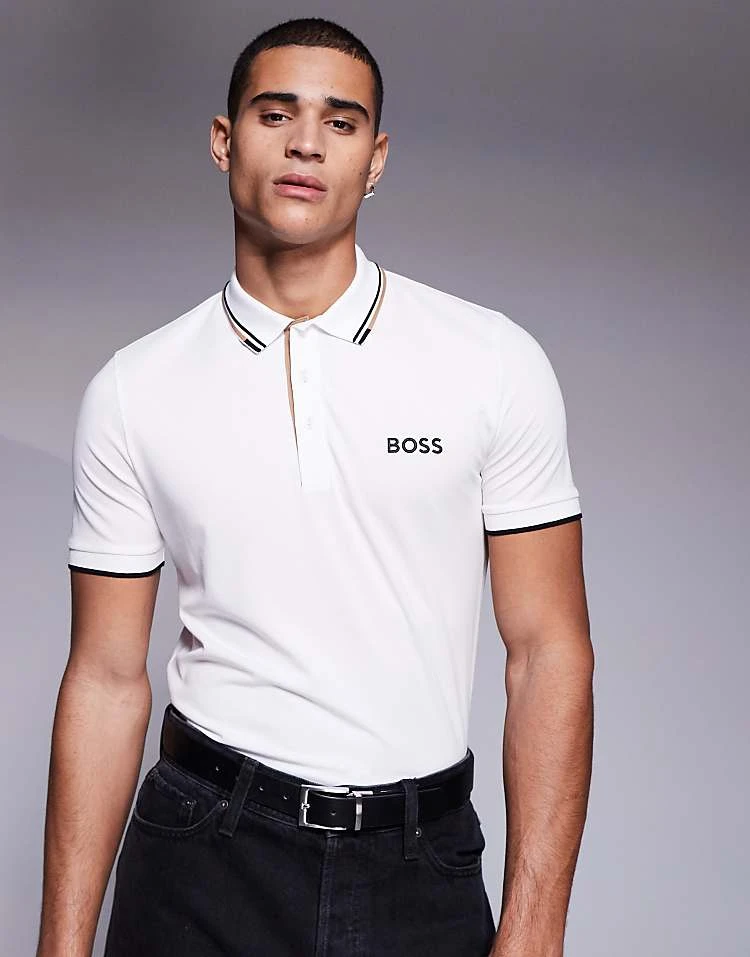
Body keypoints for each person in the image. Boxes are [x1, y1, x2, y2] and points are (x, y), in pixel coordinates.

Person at [37, 16, 593, 957]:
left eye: (340, 122)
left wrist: (536, 929)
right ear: (224, 141)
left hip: (422, 863)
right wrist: (59, 947)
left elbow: (549, 652)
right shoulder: (135, 389)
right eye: (275, 114)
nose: (306, 142)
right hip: (204, 857)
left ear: (375, 160)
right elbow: (103, 677)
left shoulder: (492, 362)